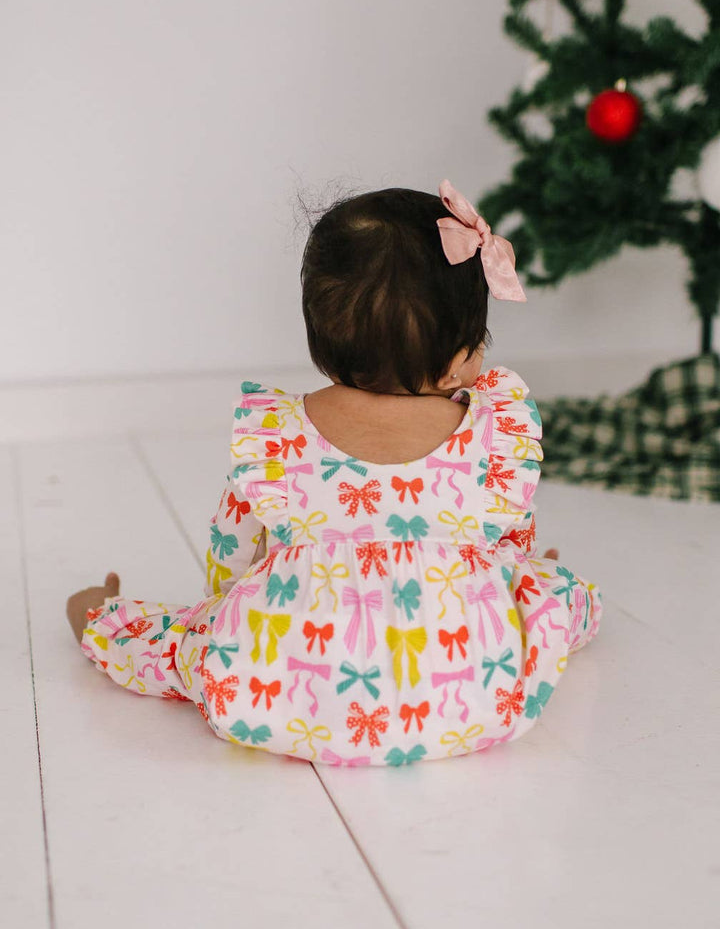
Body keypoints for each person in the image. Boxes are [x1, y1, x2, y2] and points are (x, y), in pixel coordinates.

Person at [67, 180, 602, 766]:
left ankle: (99, 619)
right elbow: (511, 537)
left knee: (185, 641)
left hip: (278, 689)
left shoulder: (279, 433)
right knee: (551, 592)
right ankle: (544, 609)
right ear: (457, 361)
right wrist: (510, 576)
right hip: (471, 692)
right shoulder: (493, 433)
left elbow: (233, 548)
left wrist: (224, 610)